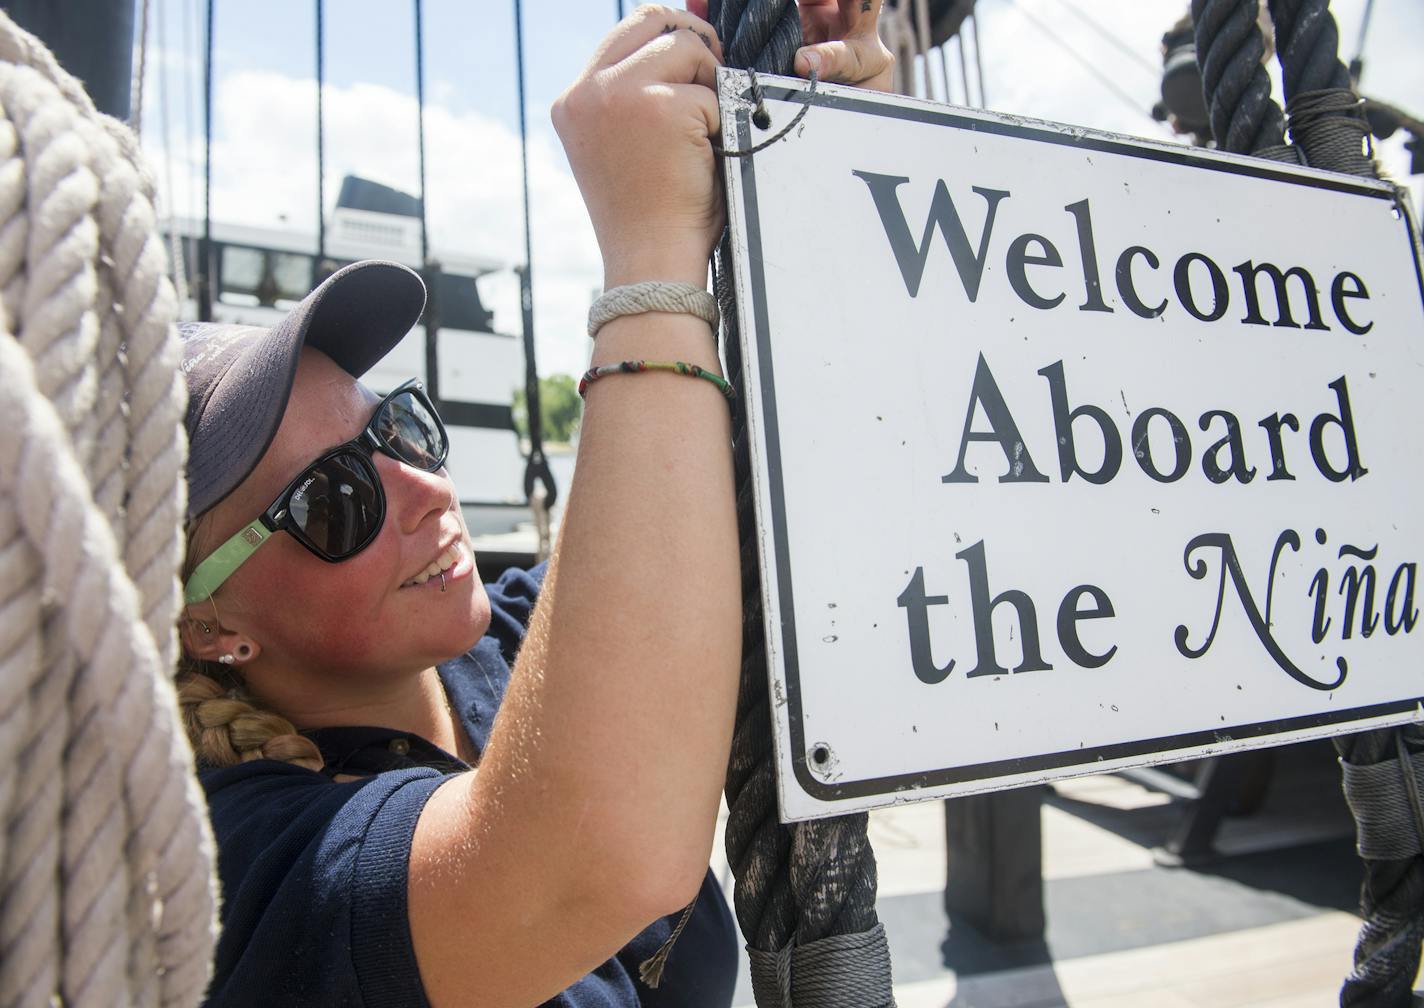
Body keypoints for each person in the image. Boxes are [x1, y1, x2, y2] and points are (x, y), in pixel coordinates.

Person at [174, 4, 893, 1006]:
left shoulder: (526, 648)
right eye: (333, 498)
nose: (423, 488)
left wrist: (830, 195)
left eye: (399, 430)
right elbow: (589, 857)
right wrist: (649, 251)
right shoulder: (222, 871)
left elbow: (800, 522)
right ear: (210, 624)